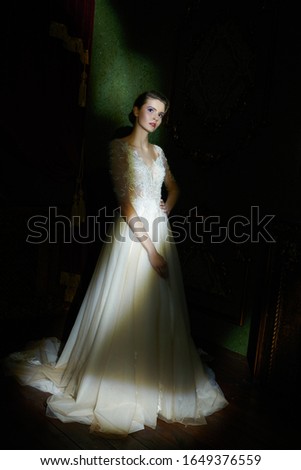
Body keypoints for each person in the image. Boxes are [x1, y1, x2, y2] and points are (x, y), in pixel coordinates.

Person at [4, 90, 228, 436]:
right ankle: (119, 379)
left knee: (159, 308)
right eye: (151, 109)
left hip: (160, 233)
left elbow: (175, 188)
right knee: (124, 308)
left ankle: (156, 380)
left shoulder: (160, 152)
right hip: (131, 239)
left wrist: (166, 206)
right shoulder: (119, 148)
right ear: (136, 110)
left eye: (161, 114)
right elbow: (126, 205)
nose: (155, 117)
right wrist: (151, 252)